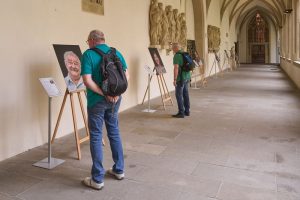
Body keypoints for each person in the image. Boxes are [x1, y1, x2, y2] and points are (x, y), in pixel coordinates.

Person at [81, 30, 129, 190]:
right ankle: (119, 170)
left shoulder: (88, 55)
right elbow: (126, 76)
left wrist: (104, 93)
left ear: (93, 41)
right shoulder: (116, 52)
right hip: (115, 100)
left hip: (96, 101)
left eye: (88, 41)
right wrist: (116, 93)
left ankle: (97, 179)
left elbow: (87, 81)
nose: (87, 43)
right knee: (114, 131)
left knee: (95, 136)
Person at [172, 43, 191, 118]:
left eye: (173, 48)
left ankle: (181, 112)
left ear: (175, 48)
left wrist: (175, 79)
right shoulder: (184, 53)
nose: (172, 49)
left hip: (181, 78)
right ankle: (187, 111)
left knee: (179, 95)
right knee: (185, 94)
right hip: (187, 77)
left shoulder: (177, 56)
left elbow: (176, 68)